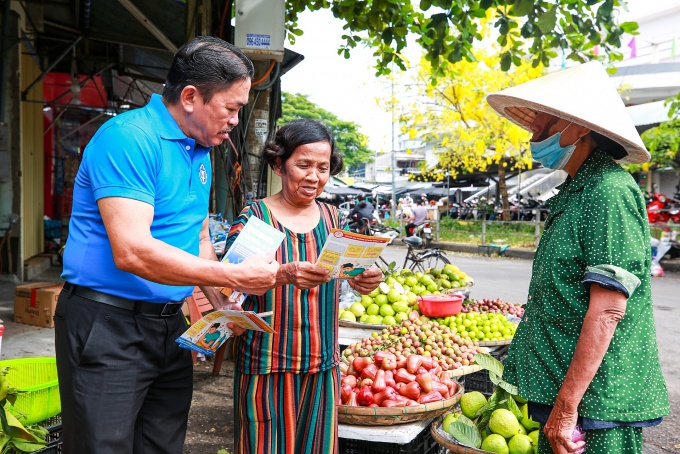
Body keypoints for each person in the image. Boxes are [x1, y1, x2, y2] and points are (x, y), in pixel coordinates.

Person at [54, 36, 281, 454]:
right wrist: (232, 274)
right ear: (191, 96)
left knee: (162, 444)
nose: (234, 120)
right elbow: (132, 251)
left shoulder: (200, 148)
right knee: (101, 446)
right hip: (108, 325)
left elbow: (195, 235)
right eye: (231, 108)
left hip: (169, 327)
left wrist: (220, 302)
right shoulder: (129, 138)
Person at [487, 61, 669, 454]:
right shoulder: (576, 189)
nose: (533, 132)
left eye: (542, 121)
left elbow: (607, 310)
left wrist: (568, 408)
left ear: (578, 126)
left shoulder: (609, 191)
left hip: (594, 403)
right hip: (559, 386)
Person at [227, 119, 382, 454]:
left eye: (323, 168)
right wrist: (282, 274)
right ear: (279, 164)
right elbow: (229, 289)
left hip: (321, 365)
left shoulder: (333, 219)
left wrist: (362, 280)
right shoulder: (255, 218)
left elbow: (345, 278)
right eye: (303, 165)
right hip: (266, 366)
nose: (314, 176)